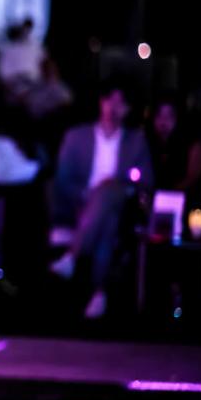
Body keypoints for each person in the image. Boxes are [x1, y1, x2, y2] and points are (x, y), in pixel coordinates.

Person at [51, 80, 153, 319]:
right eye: (110, 100)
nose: (113, 108)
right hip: (81, 205)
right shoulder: (76, 137)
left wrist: (119, 189)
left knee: (109, 191)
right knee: (107, 221)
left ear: (128, 109)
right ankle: (99, 294)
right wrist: (88, 196)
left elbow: (147, 181)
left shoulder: (136, 140)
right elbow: (63, 179)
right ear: (101, 102)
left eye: (121, 103)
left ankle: (73, 256)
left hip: (121, 203)